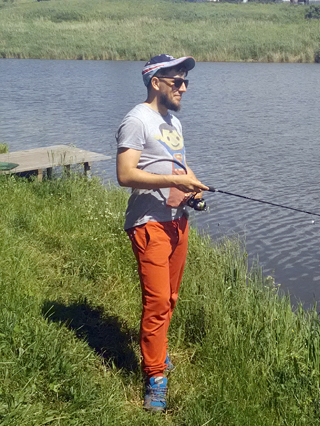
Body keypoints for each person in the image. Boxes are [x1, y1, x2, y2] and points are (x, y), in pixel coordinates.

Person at [115, 54, 208, 412]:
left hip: (176, 221)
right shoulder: (136, 120)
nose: (184, 88)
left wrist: (192, 186)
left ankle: (158, 351)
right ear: (156, 83)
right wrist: (172, 179)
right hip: (148, 223)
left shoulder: (173, 121)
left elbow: (179, 166)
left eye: (186, 81)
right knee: (156, 304)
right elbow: (125, 174)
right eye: (177, 81)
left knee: (169, 298)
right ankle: (155, 376)